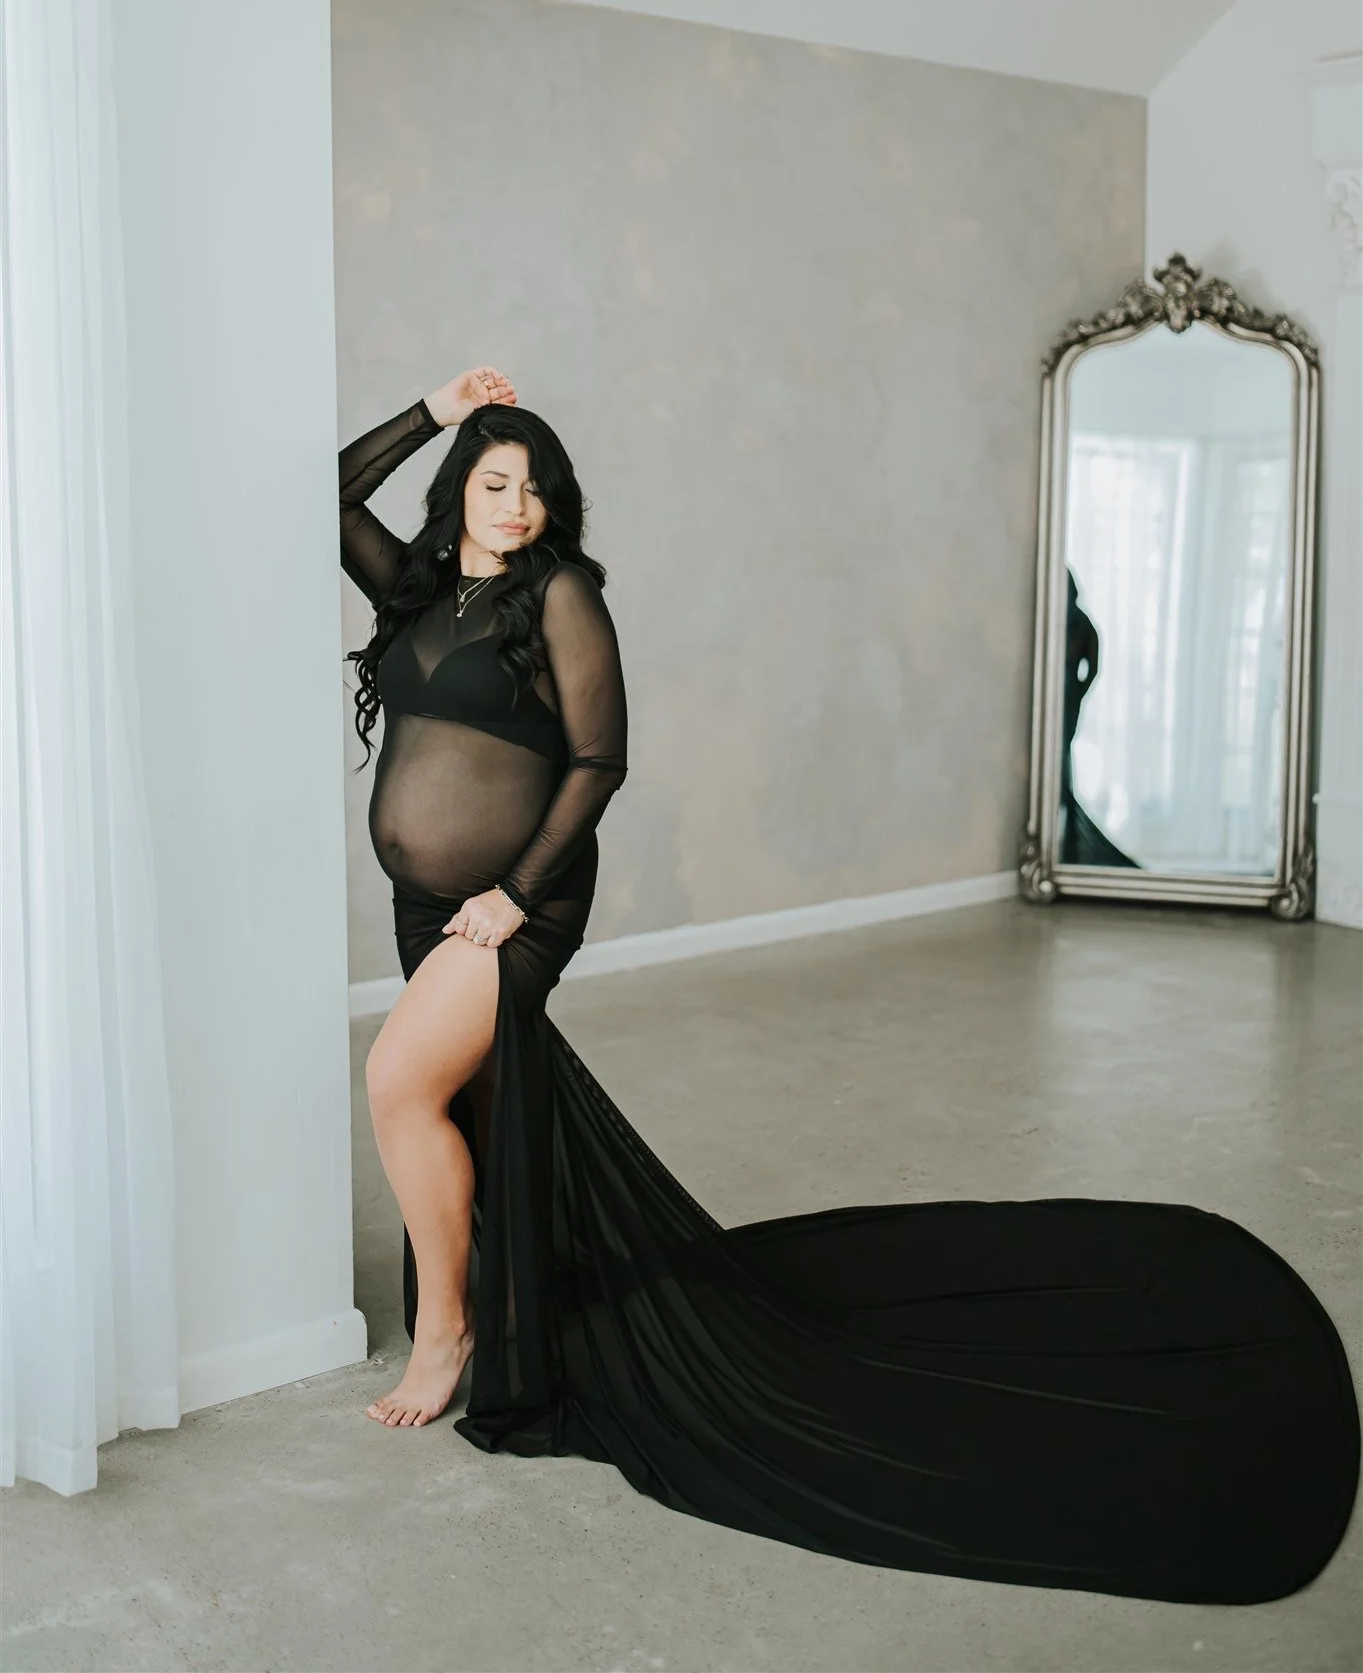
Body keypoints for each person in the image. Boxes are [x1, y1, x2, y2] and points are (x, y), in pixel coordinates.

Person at [339, 366, 1358, 1604]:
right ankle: (492, 1306)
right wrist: (435, 409)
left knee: (397, 1081)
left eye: (536, 489)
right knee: (464, 1102)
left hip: (517, 902)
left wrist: (512, 895)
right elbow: (329, 492)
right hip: (427, 904)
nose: (516, 506)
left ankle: (448, 1332)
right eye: (496, 483)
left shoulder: (558, 594)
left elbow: (600, 759)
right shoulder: (419, 586)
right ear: (459, 488)